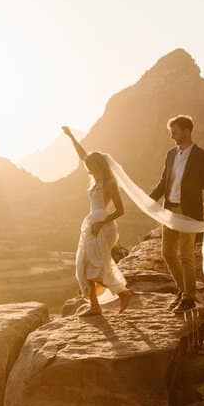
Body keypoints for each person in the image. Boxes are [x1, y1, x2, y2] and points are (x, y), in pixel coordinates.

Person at [148, 115, 204, 313]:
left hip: (189, 212)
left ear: (187, 131)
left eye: (175, 132)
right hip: (169, 210)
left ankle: (188, 298)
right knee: (168, 253)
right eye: (171, 133)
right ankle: (183, 290)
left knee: (186, 255)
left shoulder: (202, 156)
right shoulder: (170, 154)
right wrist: (149, 200)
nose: (172, 137)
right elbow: (164, 182)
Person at [62, 126, 134, 316]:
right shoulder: (94, 180)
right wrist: (71, 137)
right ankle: (98, 305)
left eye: (92, 166)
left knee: (97, 266)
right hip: (91, 225)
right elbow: (83, 155)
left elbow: (121, 210)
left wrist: (101, 223)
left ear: (99, 165)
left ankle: (122, 293)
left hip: (104, 226)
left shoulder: (109, 183)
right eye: (89, 166)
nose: (88, 168)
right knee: (84, 266)